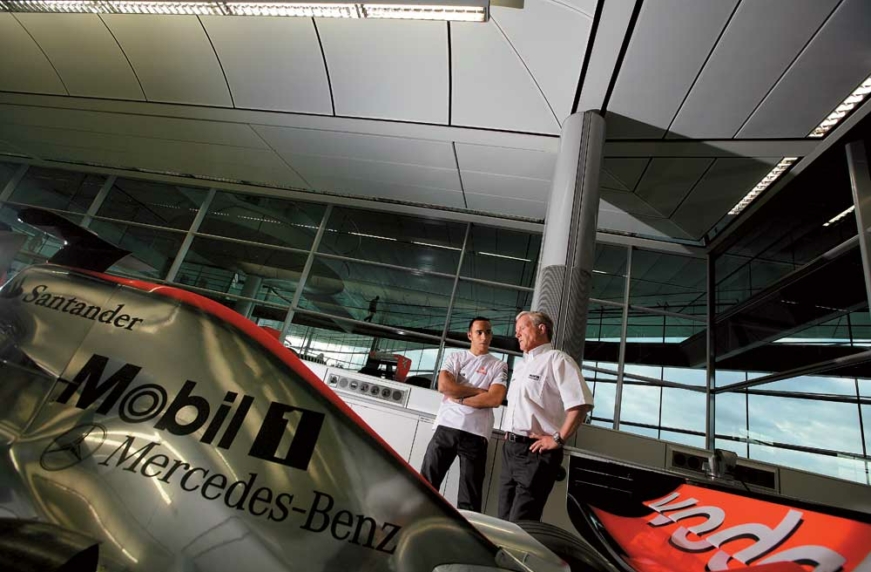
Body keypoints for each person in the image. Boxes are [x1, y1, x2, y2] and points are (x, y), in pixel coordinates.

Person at [500, 310, 593, 522]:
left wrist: (558, 439)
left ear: (541, 329)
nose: (517, 334)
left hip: (536, 453)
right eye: (516, 330)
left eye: (522, 328)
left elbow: (580, 404)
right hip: (511, 450)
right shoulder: (522, 366)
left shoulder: (558, 360)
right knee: (503, 520)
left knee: (521, 522)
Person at [420, 317, 507, 511]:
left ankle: (466, 530)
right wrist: (478, 391)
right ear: (470, 335)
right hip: (447, 427)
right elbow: (444, 386)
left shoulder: (498, 365)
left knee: (470, 497)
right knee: (426, 484)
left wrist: (458, 397)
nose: (484, 336)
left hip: (476, 434)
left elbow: (494, 399)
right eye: (479, 332)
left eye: (488, 332)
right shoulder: (455, 357)